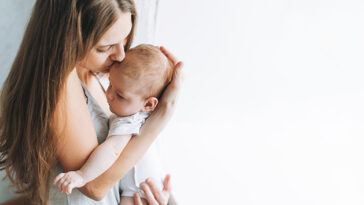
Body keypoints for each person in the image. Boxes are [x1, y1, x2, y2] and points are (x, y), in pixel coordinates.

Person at [0, 0, 183, 205]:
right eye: (105, 48)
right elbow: (93, 187)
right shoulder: (59, 86)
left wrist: (152, 194)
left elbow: (119, 164)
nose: (121, 56)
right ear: (68, 39)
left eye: (125, 40)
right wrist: (161, 117)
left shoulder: (92, 72)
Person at [53, 44, 174, 205]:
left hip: (139, 193)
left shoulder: (130, 120)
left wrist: (82, 175)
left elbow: (112, 150)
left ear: (149, 104)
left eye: (120, 95)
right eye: (110, 84)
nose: (109, 94)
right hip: (150, 190)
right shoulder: (143, 113)